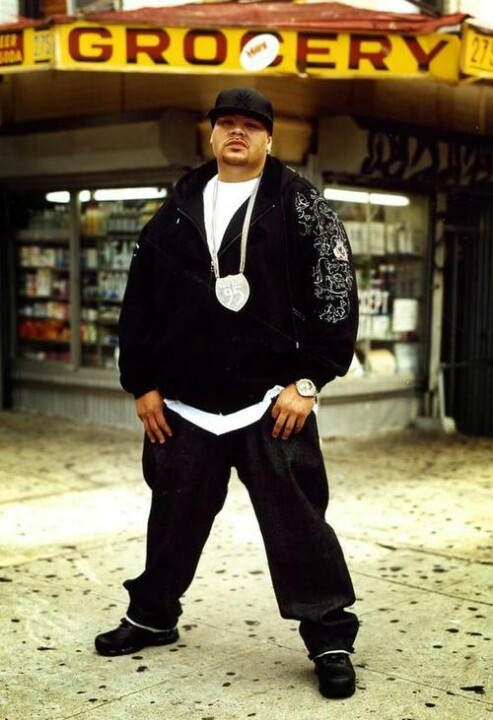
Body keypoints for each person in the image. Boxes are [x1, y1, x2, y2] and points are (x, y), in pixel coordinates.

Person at [95, 87, 360, 700]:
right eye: (226, 124)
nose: (237, 133)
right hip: (186, 404)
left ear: (270, 138)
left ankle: (330, 638)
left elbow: (335, 296)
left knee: (299, 526)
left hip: (272, 403)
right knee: (173, 518)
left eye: (250, 125)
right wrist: (143, 383)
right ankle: (153, 615)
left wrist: (308, 381)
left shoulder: (302, 206)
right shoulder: (179, 205)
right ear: (210, 134)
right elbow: (141, 305)